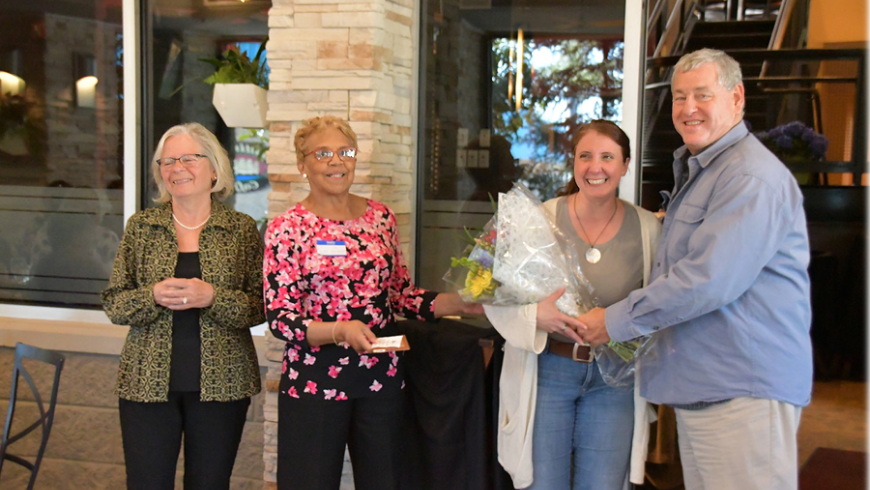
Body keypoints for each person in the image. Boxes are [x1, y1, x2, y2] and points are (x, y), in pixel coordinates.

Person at [577, 48, 812, 490]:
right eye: (680, 97)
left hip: (741, 390)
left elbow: (706, 281)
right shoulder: (705, 170)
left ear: (737, 98)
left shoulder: (748, 178)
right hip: (710, 388)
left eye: (702, 95)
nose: (688, 109)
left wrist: (612, 322)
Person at [263, 115, 481, 490]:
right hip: (314, 381)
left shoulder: (380, 218)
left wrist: (464, 303)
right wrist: (340, 330)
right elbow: (280, 319)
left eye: (345, 152)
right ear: (302, 164)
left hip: (380, 376)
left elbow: (401, 295)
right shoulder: (288, 227)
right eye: (323, 153)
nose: (337, 161)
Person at [484, 119, 662, 490]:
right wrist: (535, 316)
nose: (595, 167)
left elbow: (661, 304)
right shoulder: (540, 219)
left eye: (607, 157)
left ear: (626, 165)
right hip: (549, 372)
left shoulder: (649, 229)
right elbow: (495, 296)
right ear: (573, 162)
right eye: (585, 156)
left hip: (615, 380)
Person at [102, 123, 264, 490]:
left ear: (214, 168)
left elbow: (261, 307)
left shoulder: (240, 229)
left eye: (189, 158)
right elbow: (114, 303)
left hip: (223, 385)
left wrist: (214, 298)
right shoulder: (142, 227)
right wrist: (152, 295)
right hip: (146, 384)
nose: (177, 168)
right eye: (168, 160)